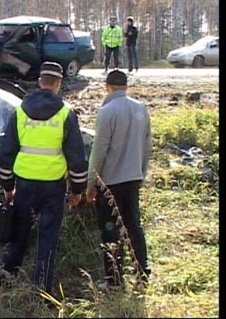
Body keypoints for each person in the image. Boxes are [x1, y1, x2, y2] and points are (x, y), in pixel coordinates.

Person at [0, 61, 88, 295]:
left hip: (24, 184)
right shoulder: (66, 114)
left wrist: (7, 187)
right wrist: (78, 190)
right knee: (47, 238)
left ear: (39, 81)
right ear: (58, 84)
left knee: (19, 232)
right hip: (53, 186)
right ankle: (41, 289)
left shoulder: (19, 112)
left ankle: (7, 276)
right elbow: (77, 158)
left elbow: (6, 154)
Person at [85, 69, 152, 290]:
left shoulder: (107, 112)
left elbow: (99, 151)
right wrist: (141, 174)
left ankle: (114, 279)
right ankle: (142, 275)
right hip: (133, 177)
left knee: (110, 228)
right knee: (134, 226)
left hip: (110, 182)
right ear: (126, 86)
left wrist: (91, 183)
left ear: (107, 86)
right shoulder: (140, 109)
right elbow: (147, 147)